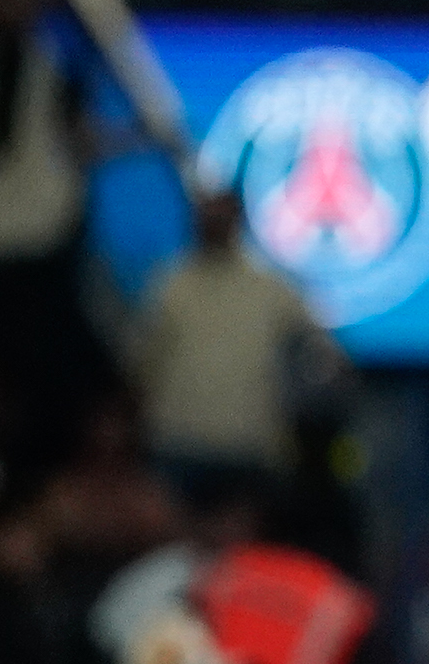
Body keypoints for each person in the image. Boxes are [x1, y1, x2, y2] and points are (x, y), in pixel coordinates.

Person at [131, 192, 343, 512]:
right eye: (206, 216)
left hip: (250, 448)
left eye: (221, 217)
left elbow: (327, 354)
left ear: (237, 221)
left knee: (248, 557)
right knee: (178, 558)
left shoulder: (271, 287)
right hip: (177, 444)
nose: (213, 224)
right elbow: (141, 364)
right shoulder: (169, 283)